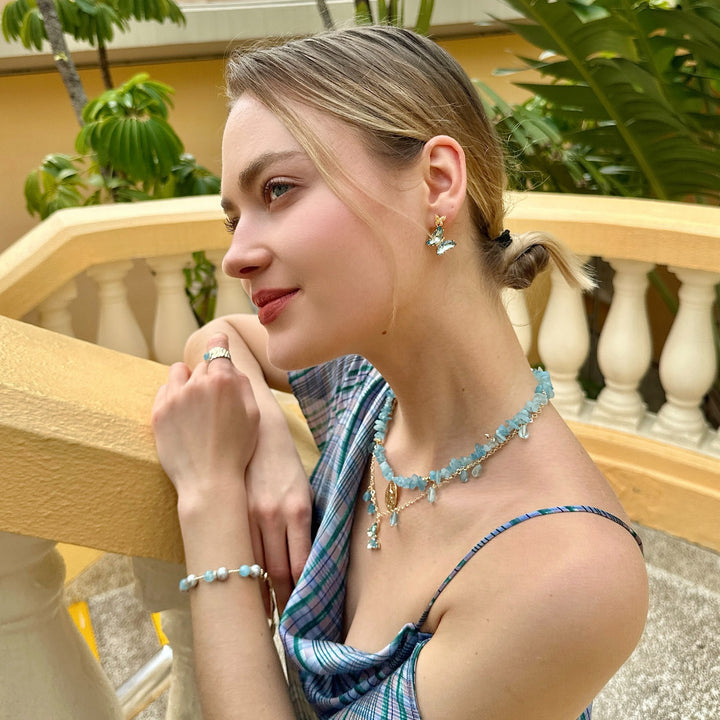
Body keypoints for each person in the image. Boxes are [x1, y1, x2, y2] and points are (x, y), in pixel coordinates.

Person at [151, 25, 648, 720]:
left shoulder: (570, 571)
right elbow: (221, 335)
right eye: (235, 219)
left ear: (437, 182)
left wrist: (209, 499)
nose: (236, 256)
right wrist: (260, 425)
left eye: (279, 190)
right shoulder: (366, 385)